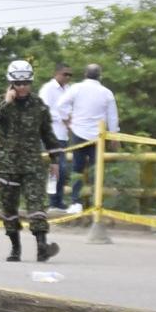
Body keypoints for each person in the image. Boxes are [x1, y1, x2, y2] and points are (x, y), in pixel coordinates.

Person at [0, 59, 63, 262]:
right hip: (6, 165)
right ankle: (15, 248)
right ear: (11, 83)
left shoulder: (38, 105)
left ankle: (42, 246)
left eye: (26, 83)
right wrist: (5, 103)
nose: (22, 87)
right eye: (18, 84)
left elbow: (48, 134)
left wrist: (55, 160)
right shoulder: (2, 103)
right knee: (9, 208)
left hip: (32, 164)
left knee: (37, 204)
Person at [54, 63, 119, 213]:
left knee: (77, 168)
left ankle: (76, 202)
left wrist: (67, 120)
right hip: (98, 136)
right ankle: (98, 201)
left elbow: (60, 105)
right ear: (100, 75)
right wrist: (114, 136)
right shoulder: (106, 92)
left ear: (85, 74)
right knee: (98, 169)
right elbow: (112, 116)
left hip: (78, 132)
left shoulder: (76, 88)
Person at [37, 62, 74, 210]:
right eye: (65, 74)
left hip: (63, 135)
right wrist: (63, 118)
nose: (67, 77)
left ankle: (57, 201)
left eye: (70, 75)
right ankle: (53, 201)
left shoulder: (69, 90)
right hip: (50, 133)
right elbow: (43, 110)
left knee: (61, 170)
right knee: (57, 168)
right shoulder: (48, 89)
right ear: (56, 74)